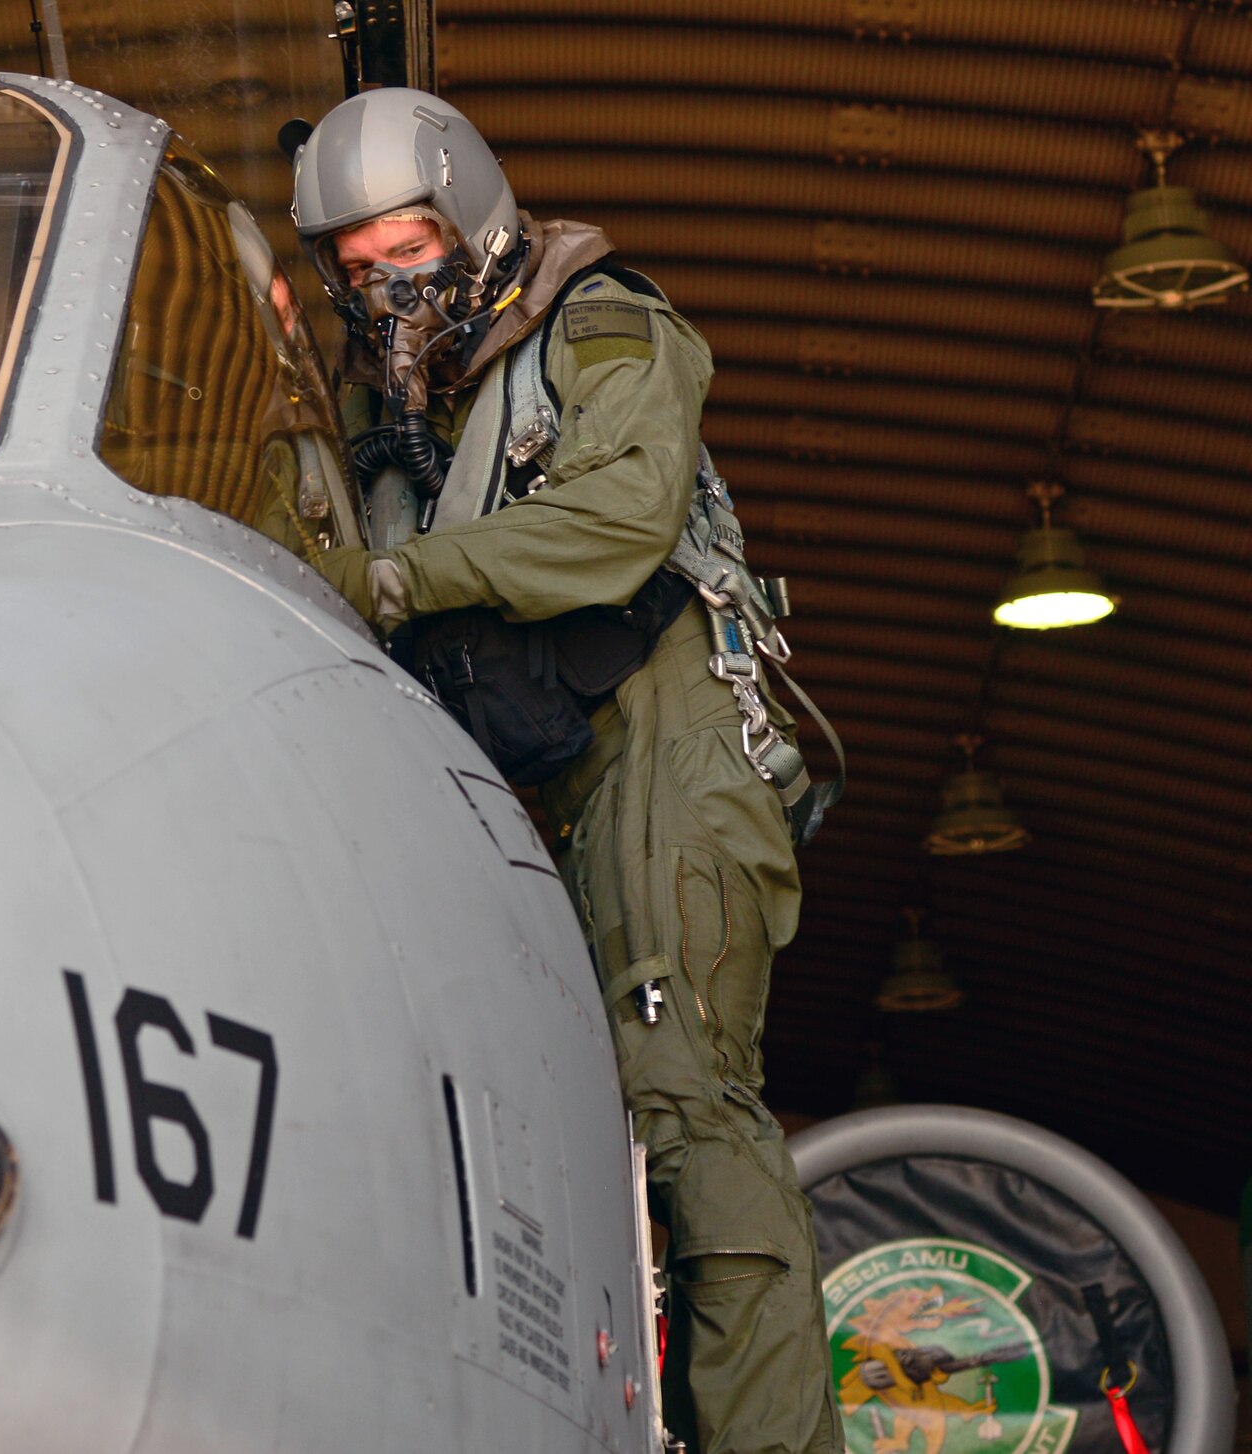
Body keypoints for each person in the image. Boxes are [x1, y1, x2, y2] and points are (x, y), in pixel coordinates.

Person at [294, 89, 843, 1454]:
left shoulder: (607, 326)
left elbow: (617, 520)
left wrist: (395, 576)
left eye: (406, 247)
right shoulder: (387, 417)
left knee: (684, 1100)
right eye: (354, 267)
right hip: (542, 777)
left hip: (670, 737)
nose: (384, 285)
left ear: (470, 222)